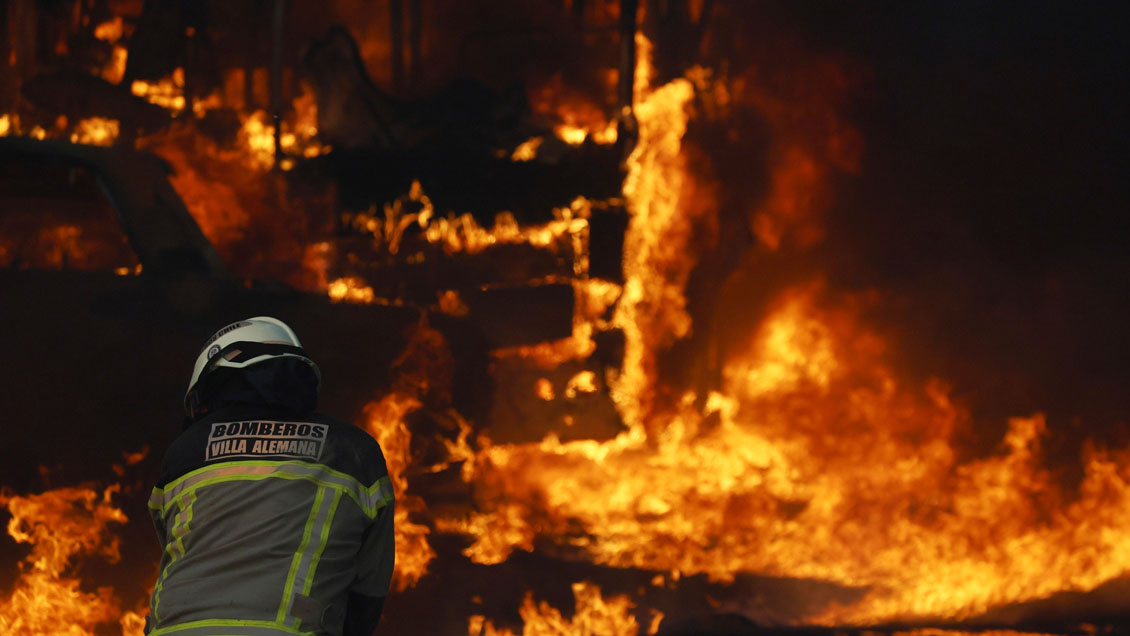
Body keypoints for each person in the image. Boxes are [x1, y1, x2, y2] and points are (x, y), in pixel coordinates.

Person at [145, 316, 395, 636]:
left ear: (215, 381)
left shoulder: (184, 452)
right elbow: (369, 589)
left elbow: (171, 551)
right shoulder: (353, 450)